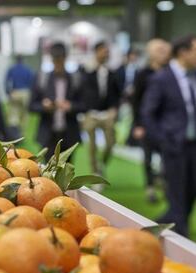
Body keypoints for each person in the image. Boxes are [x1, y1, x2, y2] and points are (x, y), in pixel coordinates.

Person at [142, 35, 196, 237]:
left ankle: (171, 222)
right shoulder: (161, 78)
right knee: (177, 191)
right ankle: (180, 237)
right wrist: (163, 141)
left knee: (190, 190)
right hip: (174, 145)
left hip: (193, 145)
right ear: (183, 52)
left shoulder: (192, 76)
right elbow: (148, 113)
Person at [131, 39, 171, 203]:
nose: (163, 53)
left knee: (167, 158)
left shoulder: (170, 72)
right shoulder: (143, 74)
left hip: (166, 124)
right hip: (147, 123)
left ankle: (164, 183)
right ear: (151, 53)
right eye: (159, 50)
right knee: (148, 158)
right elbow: (136, 100)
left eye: (164, 49)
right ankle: (150, 189)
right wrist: (138, 124)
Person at [29, 42, 84, 160]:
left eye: (60, 60)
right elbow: (31, 106)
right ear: (51, 59)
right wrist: (44, 106)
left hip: (69, 133)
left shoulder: (75, 79)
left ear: (65, 58)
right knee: (47, 172)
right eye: (55, 60)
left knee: (66, 171)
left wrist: (71, 106)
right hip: (48, 133)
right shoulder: (42, 78)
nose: (58, 64)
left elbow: (84, 105)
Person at [80, 41, 121, 175]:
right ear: (96, 52)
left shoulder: (111, 72)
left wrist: (115, 109)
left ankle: (102, 163)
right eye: (104, 51)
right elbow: (81, 90)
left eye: (107, 51)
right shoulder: (86, 70)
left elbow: (117, 93)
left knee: (110, 143)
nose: (106, 54)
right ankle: (95, 172)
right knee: (92, 146)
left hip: (107, 113)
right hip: (90, 113)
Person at [5, 55, 34, 137]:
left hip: (15, 92)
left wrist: (8, 92)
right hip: (26, 92)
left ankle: (14, 134)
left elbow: (7, 81)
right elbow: (32, 82)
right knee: (24, 115)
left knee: (14, 114)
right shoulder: (28, 69)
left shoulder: (12, 69)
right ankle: (21, 134)